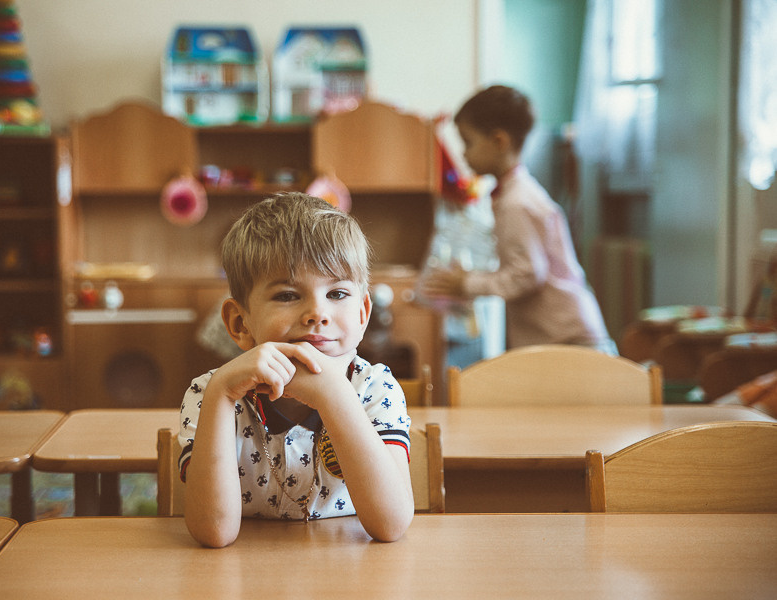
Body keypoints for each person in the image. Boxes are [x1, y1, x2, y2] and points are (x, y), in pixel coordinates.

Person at [178, 192, 414, 548]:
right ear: (240, 323)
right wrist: (222, 394)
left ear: (363, 314)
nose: (317, 313)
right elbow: (214, 533)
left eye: (337, 294)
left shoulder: (375, 388)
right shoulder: (210, 393)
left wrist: (332, 393)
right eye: (287, 295)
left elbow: (391, 525)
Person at [420, 85, 616, 354]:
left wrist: (467, 284)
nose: (463, 154)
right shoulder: (515, 194)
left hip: (566, 337)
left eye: (468, 142)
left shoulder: (516, 203)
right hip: (561, 334)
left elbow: (527, 274)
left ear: (499, 141)